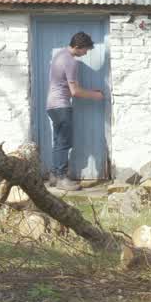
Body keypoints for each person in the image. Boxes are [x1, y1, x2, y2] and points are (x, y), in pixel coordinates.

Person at [46, 32, 103, 191]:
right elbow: (75, 92)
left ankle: (54, 175)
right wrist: (95, 95)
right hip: (62, 106)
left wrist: (90, 90)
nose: (86, 53)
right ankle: (62, 179)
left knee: (58, 142)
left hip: (51, 105)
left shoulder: (59, 55)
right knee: (64, 143)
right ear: (77, 47)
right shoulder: (71, 61)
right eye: (85, 50)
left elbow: (66, 85)